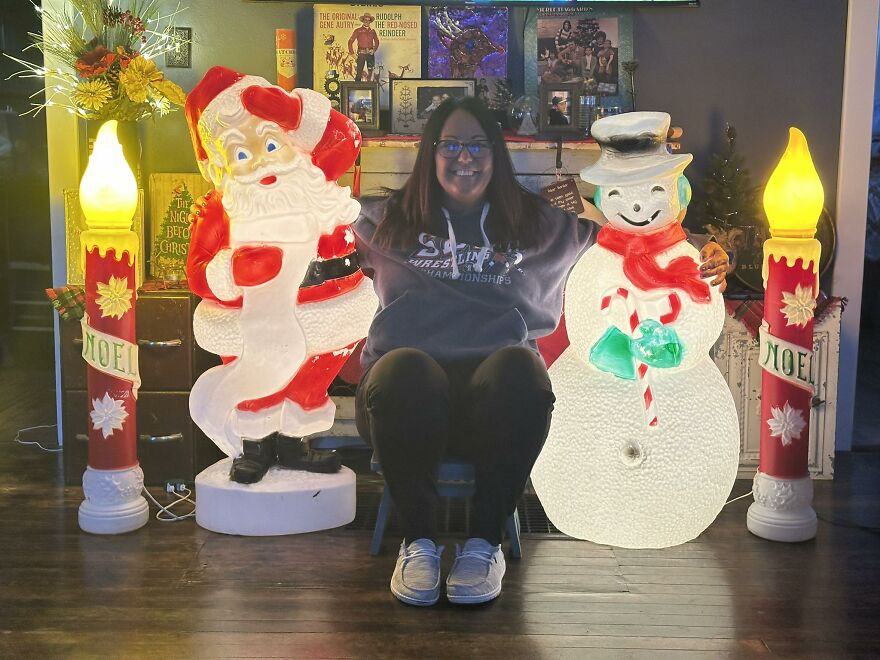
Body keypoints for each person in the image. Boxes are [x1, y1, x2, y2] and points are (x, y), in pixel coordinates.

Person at [352, 97, 730, 606]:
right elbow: (310, 223)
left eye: (478, 145)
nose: (464, 157)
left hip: (497, 402)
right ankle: (417, 541)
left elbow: (637, 233)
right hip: (402, 401)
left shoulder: (538, 223)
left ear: (496, 154)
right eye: (450, 144)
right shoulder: (385, 218)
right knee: (406, 369)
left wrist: (705, 251)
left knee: (521, 369)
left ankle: (484, 545)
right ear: (430, 152)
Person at [183, 66, 376, 483]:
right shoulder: (223, 209)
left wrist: (293, 112)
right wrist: (232, 270)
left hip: (333, 307)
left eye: (270, 142)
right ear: (221, 162)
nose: (259, 163)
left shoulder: (311, 178)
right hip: (255, 319)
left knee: (311, 378)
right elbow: (197, 272)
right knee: (257, 377)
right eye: (240, 153)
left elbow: (347, 140)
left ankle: (296, 443)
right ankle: (254, 445)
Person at [348, 13, 379, 82]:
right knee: (359, 73)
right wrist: (352, 54)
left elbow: (377, 42)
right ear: (363, 21)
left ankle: (371, 90)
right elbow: (350, 42)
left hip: (370, 54)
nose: (367, 21)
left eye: (368, 20)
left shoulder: (372, 31)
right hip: (361, 54)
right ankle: (356, 89)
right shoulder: (358, 30)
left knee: (371, 73)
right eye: (365, 20)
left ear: (370, 21)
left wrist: (373, 50)